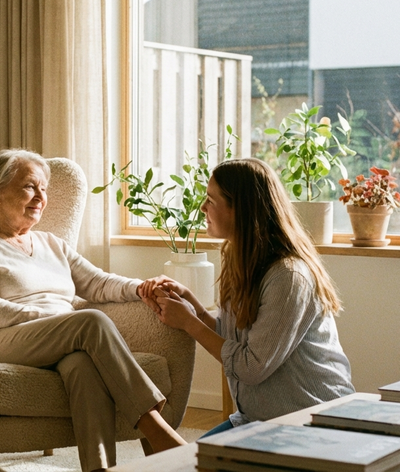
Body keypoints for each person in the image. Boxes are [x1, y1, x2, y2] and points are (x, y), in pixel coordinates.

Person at [0, 148, 187, 472]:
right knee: (88, 322)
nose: (40, 197)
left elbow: (98, 283)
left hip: (61, 338)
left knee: (81, 364)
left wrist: (141, 287)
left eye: (44, 189)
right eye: (30, 186)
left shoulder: (52, 244)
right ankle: (154, 427)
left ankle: (99, 468)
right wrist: (62, 321)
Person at [140, 157, 355, 437]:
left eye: (211, 200)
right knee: (185, 462)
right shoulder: (239, 258)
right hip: (257, 418)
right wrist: (191, 305)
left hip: (313, 422)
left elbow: (251, 366)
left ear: (239, 209)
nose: (202, 207)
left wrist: (189, 323)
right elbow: (234, 339)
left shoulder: (289, 277)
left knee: (189, 463)